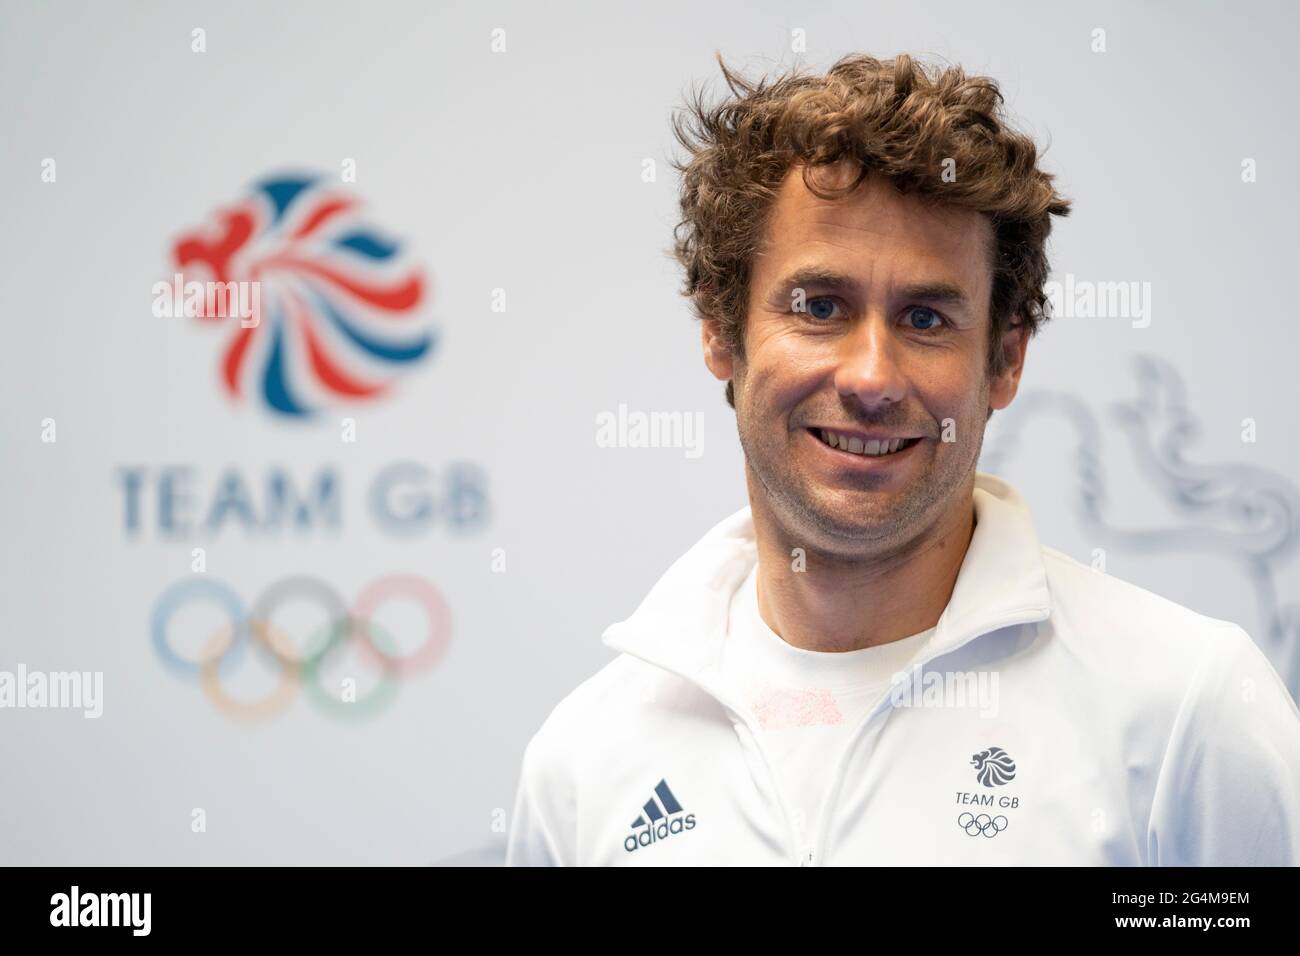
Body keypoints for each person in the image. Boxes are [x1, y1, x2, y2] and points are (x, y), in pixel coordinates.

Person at [505, 52, 1300, 865]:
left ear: (1006, 362)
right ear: (720, 330)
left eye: (925, 319)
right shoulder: (586, 760)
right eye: (819, 307)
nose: (872, 378)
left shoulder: (1187, 713)